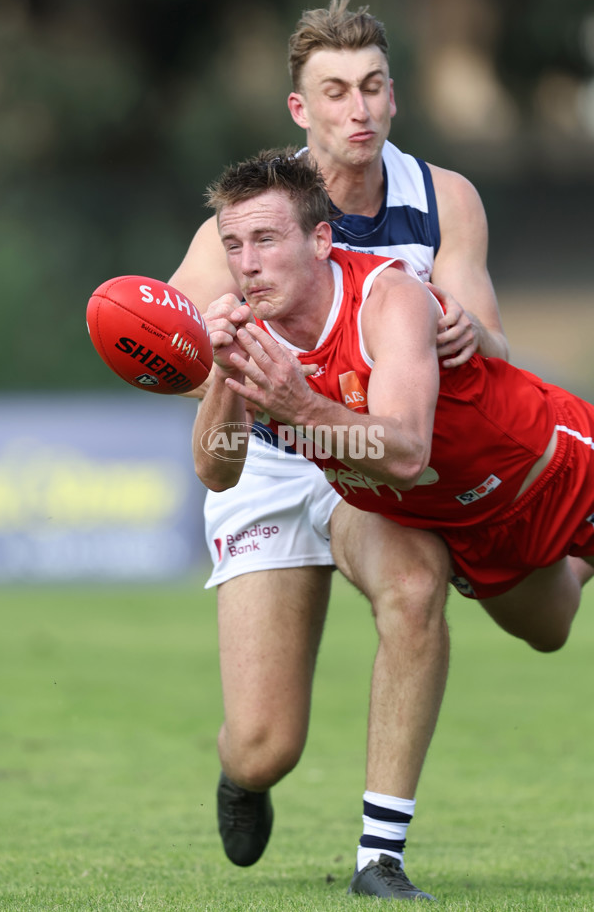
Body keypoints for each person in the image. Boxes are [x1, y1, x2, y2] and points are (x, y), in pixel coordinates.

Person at [171, 0, 509, 900]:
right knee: (265, 742)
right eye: (334, 91)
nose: (356, 110)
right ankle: (241, 774)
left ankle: (379, 858)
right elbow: (169, 340)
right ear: (300, 109)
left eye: (371, 86)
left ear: (394, 95)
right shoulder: (250, 214)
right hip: (274, 457)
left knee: (412, 586)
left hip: (364, 457)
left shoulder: (444, 199)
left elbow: (493, 338)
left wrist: (471, 334)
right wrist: (204, 345)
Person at [192, 152, 594, 886]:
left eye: (266, 242)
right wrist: (224, 378)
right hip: (446, 505)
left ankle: (378, 857)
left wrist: (299, 404)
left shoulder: (390, 296)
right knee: (264, 746)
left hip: (557, 467)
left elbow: (404, 449)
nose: (246, 265)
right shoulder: (248, 332)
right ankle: (327, 827)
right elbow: (218, 468)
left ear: (321, 241)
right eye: (234, 247)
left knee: (484, 608)